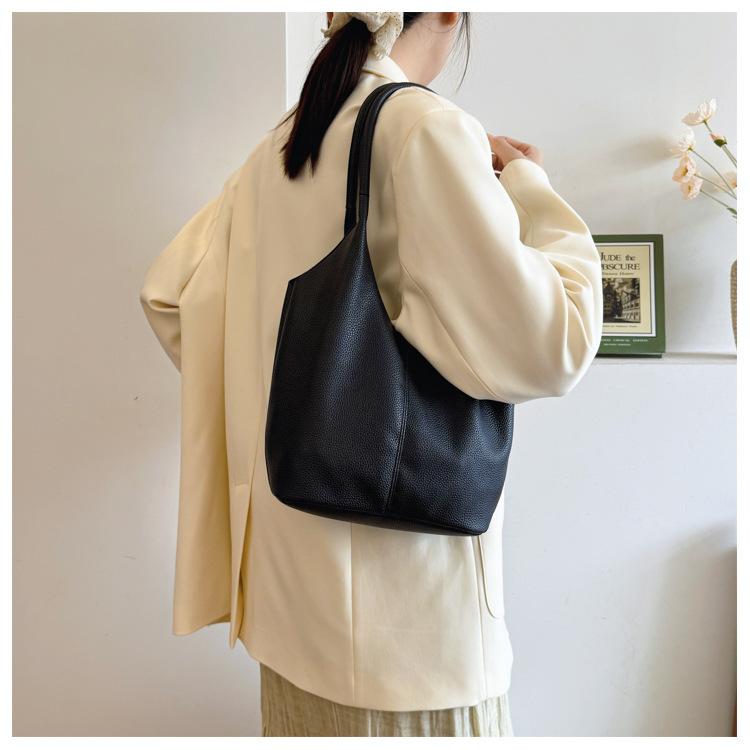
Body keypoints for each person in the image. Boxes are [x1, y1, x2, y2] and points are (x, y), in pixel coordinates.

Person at [139, 11, 603, 737]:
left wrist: (278, 393)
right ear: (447, 14)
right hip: (407, 643)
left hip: (287, 615)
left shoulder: (278, 150)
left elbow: (171, 297)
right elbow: (556, 344)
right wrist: (529, 187)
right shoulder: (421, 130)